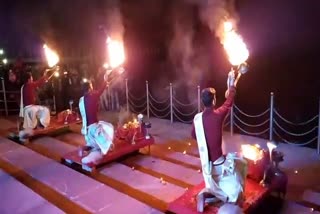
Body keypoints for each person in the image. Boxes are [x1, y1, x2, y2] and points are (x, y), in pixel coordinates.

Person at [191, 69, 247, 212]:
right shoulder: (218, 115)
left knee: (215, 183)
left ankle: (209, 193)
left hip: (206, 166)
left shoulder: (197, 119)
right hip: (219, 165)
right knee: (240, 169)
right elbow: (229, 102)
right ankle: (213, 195)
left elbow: (193, 135)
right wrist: (232, 87)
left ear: (202, 102)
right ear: (214, 100)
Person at [78, 72, 114, 164]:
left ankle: (84, 148)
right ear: (89, 88)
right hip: (94, 129)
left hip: (86, 131)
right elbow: (101, 90)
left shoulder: (81, 100)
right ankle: (88, 159)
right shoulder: (93, 96)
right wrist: (105, 79)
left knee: (95, 143)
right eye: (91, 86)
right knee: (104, 148)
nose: (92, 87)